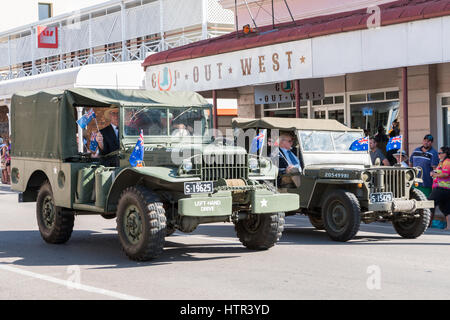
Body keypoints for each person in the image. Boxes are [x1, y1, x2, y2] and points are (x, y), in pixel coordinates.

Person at [428, 146, 450, 230]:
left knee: (429, 203)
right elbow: (440, 171)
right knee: (445, 208)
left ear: (446, 154)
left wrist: (434, 174)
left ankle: (427, 224)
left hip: (442, 188)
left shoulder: (447, 162)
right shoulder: (442, 162)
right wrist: (434, 172)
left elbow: (446, 174)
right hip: (444, 189)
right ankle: (448, 227)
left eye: (440, 153)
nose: (438, 154)